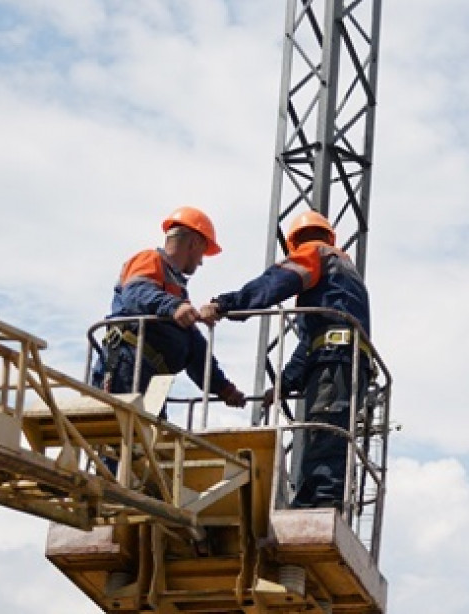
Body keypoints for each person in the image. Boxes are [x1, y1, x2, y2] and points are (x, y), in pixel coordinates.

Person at [200, 210, 371, 509]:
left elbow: (276, 282)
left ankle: (323, 501)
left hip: (335, 359)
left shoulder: (316, 253)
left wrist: (226, 304)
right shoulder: (341, 278)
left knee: (325, 427)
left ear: (294, 243)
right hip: (340, 358)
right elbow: (311, 344)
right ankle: (312, 499)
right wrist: (285, 383)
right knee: (326, 428)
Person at [91, 206, 245, 418]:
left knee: (149, 436)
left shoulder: (177, 291)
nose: (201, 262)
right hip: (127, 365)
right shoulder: (149, 259)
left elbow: (194, 346)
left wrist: (223, 388)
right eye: (202, 253)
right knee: (122, 434)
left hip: (151, 377)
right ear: (194, 243)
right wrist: (174, 307)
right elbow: (136, 293)